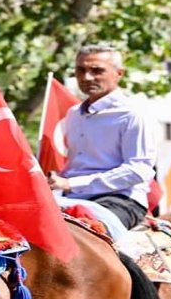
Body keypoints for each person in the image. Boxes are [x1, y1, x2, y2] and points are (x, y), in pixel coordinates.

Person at [47, 44, 158, 239]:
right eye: (81, 70)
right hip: (71, 197)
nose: (87, 77)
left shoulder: (132, 113)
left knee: (91, 241)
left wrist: (71, 183)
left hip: (120, 199)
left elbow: (138, 170)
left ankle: (133, 271)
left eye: (97, 70)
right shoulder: (74, 114)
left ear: (119, 73)